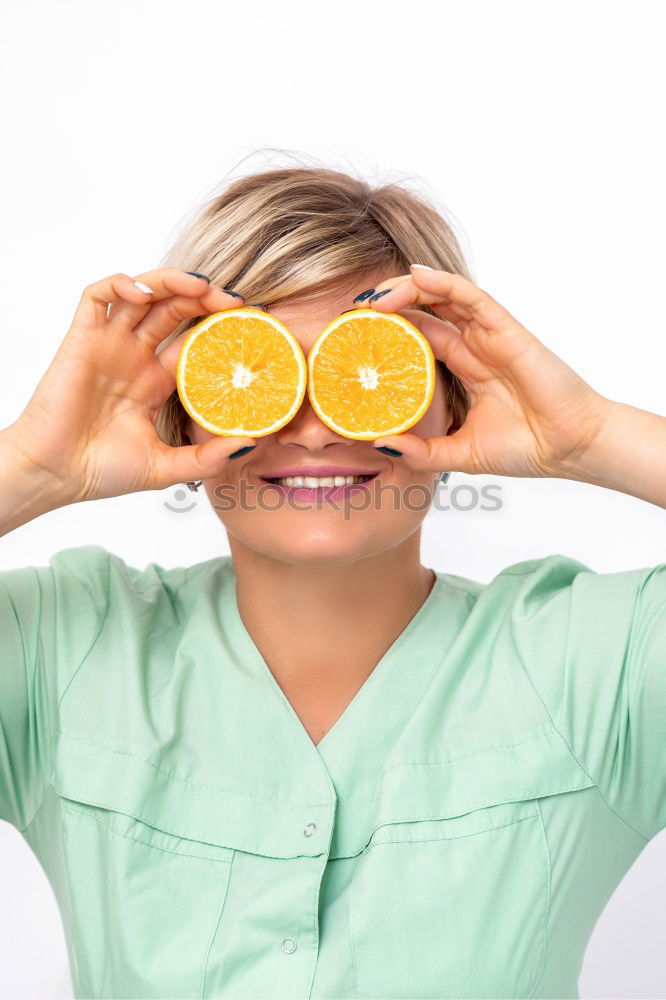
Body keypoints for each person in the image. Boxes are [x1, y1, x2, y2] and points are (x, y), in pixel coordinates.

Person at [0, 165, 664, 1000]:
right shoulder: (58, 650)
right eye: (257, 376)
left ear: (451, 402)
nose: (312, 431)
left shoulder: (598, 666)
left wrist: (592, 435)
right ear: (184, 408)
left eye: (367, 375)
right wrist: (31, 465)